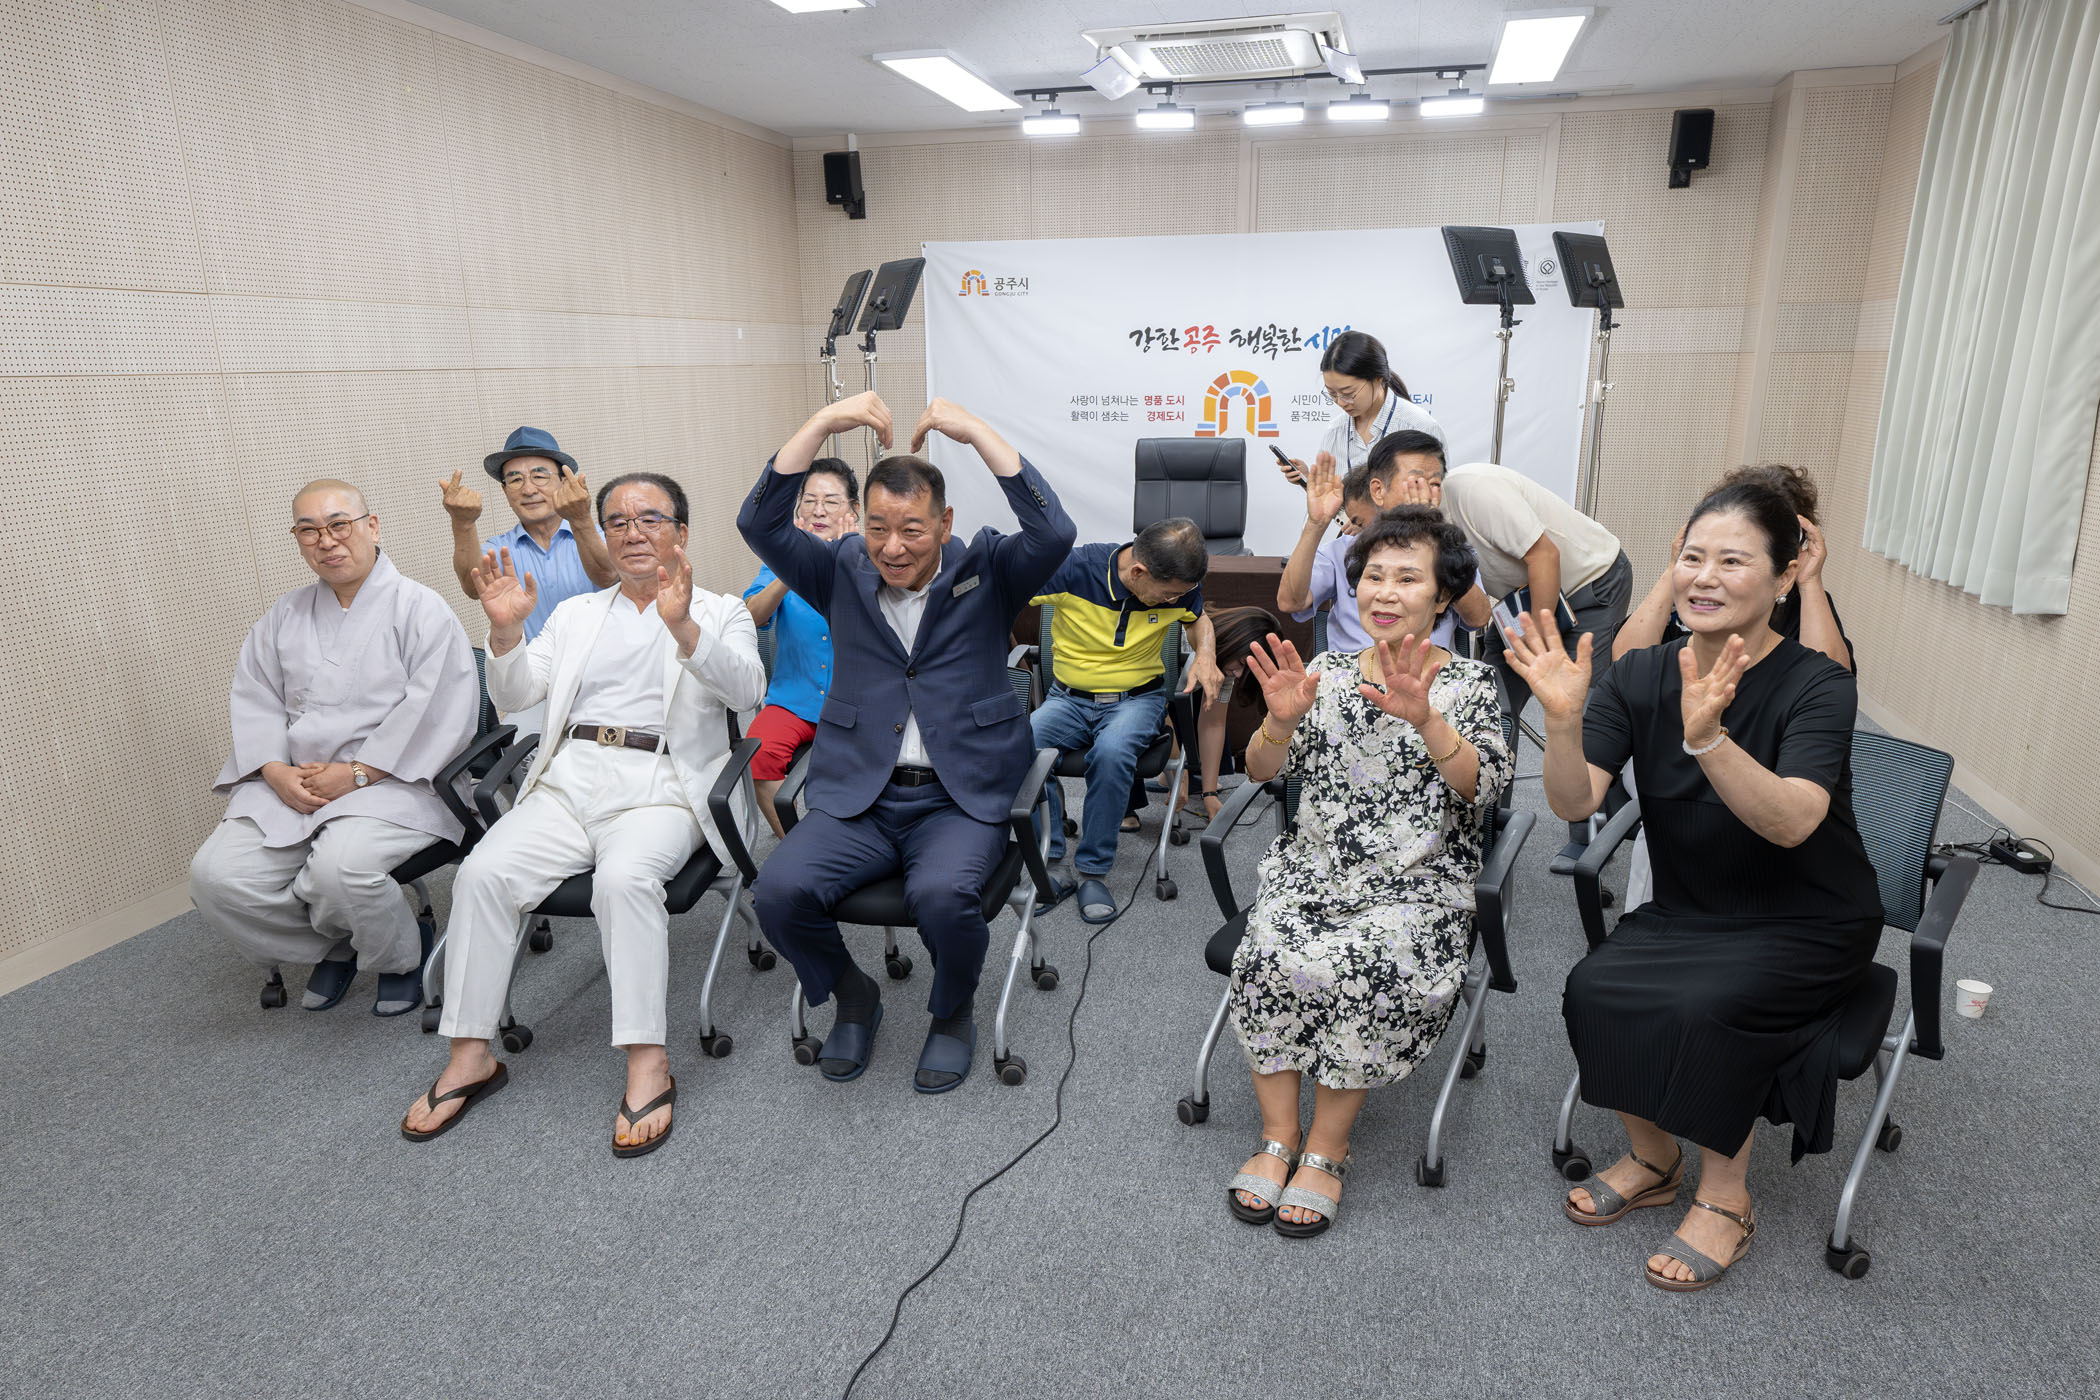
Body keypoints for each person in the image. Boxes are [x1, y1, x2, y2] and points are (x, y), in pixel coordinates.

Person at [1505, 479, 1884, 1291]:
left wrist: (1709, 739)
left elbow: (1793, 822)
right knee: (1593, 988)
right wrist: (1564, 725)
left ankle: (1726, 1198)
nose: (1705, 577)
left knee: (1707, 1006)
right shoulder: (1640, 674)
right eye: (1693, 558)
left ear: (1785, 577)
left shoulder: (1818, 683)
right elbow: (1575, 801)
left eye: (1733, 561)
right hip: (1693, 902)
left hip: (1809, 916)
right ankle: (1655, 1159)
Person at [401, 473, 766, 1155]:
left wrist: (684, 626)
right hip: (571, 777)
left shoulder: (721, 611)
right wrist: (505, 633)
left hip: (663, 783)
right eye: (617, 521)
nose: (632, 532)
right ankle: (470, 1054)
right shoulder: (575, 614)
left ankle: (647, 1059)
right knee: (482, 874)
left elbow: (748, 690)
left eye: (650, 518)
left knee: (623, 881)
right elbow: (517, 696)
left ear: (681, 534)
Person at [739, 392, 1074, 1094]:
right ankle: (853, 995)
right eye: (879, 528)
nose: (893, 547)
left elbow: (1053, 531)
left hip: (959, 797)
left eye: (912, 530)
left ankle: (951, 1014)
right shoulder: (840, 570)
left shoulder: (988, 570)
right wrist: (824, 422)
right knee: (778, 892)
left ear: (945, 523)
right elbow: (758, 521)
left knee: (943, 896)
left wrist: (976, 430)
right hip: (860, 795)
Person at [1223, 508, 1512, 1237]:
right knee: (1268, 952)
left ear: (1442, 598)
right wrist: (1279, 721)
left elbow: (1484, 789)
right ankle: (1278, 1137)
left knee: (1362, 959)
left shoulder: (1471, 685)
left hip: (1419, 882)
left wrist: (1427, 720)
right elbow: (1260, 770)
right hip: (1315, 869)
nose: (1385, 591)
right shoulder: (1323, 673)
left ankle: (1327, 1148)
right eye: (1374, 576)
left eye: (1407, 578)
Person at [190, 481, 478, 1017]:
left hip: (395, 780)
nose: (326, 541)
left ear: (372, 526)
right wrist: (274, 771)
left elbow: (438, 710)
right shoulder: (284, 615)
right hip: (297, 781)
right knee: (217, 879)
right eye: (309, 530)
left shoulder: (421, 609)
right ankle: (338, 945)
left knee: (338, 870)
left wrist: (358, 773)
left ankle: (399, 956)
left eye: (339, 524)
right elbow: (256, 699)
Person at [1612, 462, 1853, 905]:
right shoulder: (1694, 588)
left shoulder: (1801, 600)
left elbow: (1833, 675)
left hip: (1767, 754)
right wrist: (1680, 566)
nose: (1712, 574)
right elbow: (1624, 661)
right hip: (1672, 748)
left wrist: (1809, 581)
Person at [1438, 457, 1635, 868]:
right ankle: (1488, 827)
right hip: (1523, 597)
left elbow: (1545, 555)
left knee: (1578, 707)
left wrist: (1543, 646)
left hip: (1590, 580)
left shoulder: (1472, 487)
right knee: (1492, 705)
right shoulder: (1420, 526)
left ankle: (1588, 840)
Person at [1028, 518, 1221, 923]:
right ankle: (1052, 859)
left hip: (1137, 700)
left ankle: (1092, 871)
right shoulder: (1073, 570)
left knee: (1112, 753)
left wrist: (1205, 654)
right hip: (1068, 700)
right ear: (1138, 572)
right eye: (1168, 594)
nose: (1174, 601)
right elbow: (1004, 590)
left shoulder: (1179, 585)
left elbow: (1197, 619)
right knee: (1021, 745)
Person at [1278, 432, 1491, 658]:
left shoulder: (1452, 549)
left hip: (1430, 672)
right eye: (1415, 483)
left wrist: (1435, 538)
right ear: (1378, 491)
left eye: (1434, 484)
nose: (1426, 494)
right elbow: (1290, 602)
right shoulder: (1342, 550)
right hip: (1355, 673)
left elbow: (1478, 618)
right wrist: (1315, 525)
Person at [744, 458, 861, 838]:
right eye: (809, 501)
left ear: (854, 510)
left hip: (856, 701)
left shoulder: (872, 558)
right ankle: (798, 844)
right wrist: (790, 567)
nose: (819, 511)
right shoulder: (776, 564)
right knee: (757, 753)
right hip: (794, 699)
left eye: (831, 501)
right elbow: (753, 615)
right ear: (797, 512)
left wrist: (847, 553)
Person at [442, 426, 616, 640]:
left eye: (539, 476)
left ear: (563, 481)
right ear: (505, 491)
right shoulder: (500, 550)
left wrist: (580, 519)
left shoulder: (603, 536)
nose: (529, 490)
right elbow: (473, 588)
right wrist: (463, 523)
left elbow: (609, 576)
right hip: (531, 662)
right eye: (515, 480)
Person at [1276, 330, 1447, 487]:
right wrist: (1310, 481)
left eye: (1348, 393)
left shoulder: (1420, 427)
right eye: (1332, 394)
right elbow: (1328, 500)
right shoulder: (1335, 432)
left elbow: (1435, 500)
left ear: (1378, 379)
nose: (1341, 402)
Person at [1179, 605, 1284, 825]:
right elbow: (1156, 709)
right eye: (1242, 664)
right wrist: (1176, 773)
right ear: (1234, 640)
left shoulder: (1226, 665)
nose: (1237, 674)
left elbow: (1213, 723)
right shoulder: (1181, 641)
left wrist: (1209, 794)